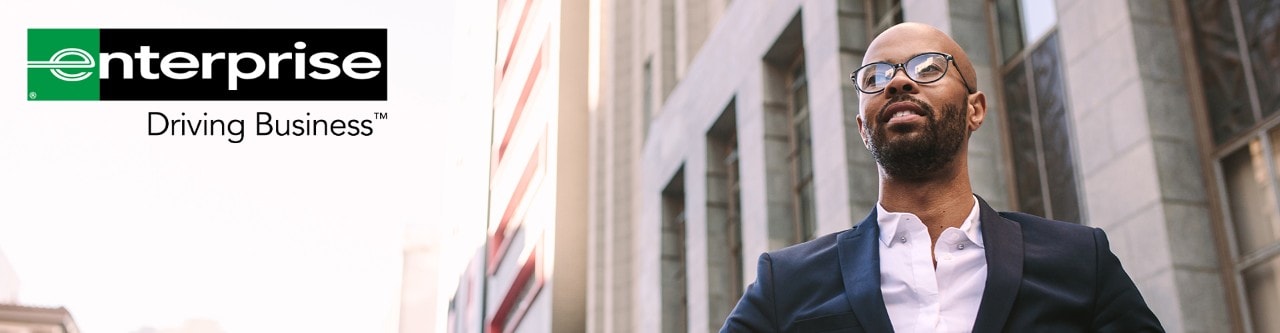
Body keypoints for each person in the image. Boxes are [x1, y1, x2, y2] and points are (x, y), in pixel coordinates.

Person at [720, 22, 1163, 333]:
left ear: (976, 109)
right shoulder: (787, 282)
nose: (897, 82)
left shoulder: (1081, 261)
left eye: (928, 67)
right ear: (861, 127)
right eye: (876, 76)